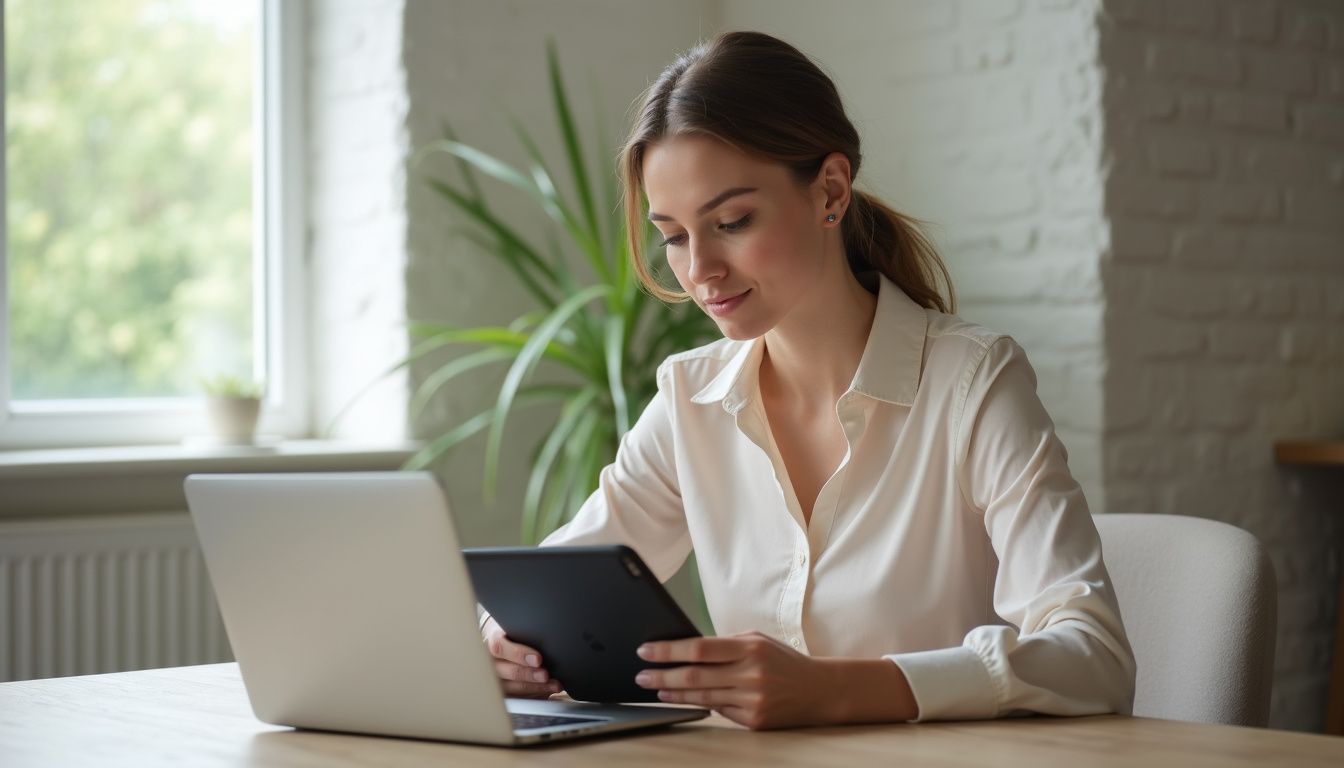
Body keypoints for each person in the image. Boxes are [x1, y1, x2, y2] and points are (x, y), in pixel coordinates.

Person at [481, 30, 1136, 730]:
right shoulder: (688, 400)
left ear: (830, 189)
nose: (700, 268)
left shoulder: (973, 383)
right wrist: (502, 643)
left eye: (731, 221)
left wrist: (835, 690)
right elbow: (540, 585)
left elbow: (1093, 656)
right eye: (672, 235)